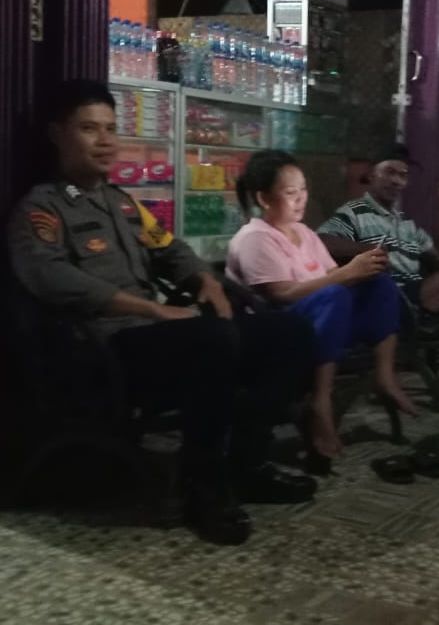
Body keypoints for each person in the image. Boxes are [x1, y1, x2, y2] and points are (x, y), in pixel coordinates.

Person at [7, 80, 314, 546]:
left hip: (156, 337)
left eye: (111, 128)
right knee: (212, 338)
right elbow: (52, 278)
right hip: (102, 350)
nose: (105, 141)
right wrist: (153, 309)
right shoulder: (42, 209)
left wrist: (206, 282)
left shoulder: (122, 205)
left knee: (287, 332)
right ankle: (202, 486)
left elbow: (172, 250)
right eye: (89, 129)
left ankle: (247, 463)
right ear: (57, 134)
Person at [226, 150, 417, 472]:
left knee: (380, 284)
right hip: (284, 331)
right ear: (264, 198)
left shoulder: (304, 233)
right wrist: (345, 275)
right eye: (291, 192)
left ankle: (385, 376)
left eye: (303, 189)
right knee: (334, 294)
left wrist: (359, 271)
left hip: (326, 323)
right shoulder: (255, 239)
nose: (301, 199)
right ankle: (321, 400)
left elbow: (332, 276)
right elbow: (281, 295)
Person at [317, 146, 439, 396]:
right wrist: (367, 248)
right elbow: (323, 241)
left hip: (421, 297)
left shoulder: (405, 222)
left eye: (402, 175)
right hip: (393, 299)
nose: (396, 180)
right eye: (389, 172)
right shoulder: (355, 212)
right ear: (371, 175)